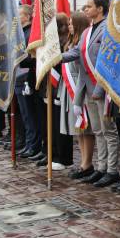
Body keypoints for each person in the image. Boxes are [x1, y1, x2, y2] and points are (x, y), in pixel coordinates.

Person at [62, 0, 119, 187]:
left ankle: (112, 170)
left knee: (108, 131)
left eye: (89, 6)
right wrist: (55, 57)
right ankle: (101, 168)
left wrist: (102, 89)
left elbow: (108, 62)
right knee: (97, 130)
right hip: (88, 88)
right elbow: (77, 52)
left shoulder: (107, 30)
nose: (85, 9)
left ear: (100, 9)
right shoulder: (87, 32)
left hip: (102, 89)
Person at [60, 11, 95, 180]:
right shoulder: (70, 41)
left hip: (80, 86)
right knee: (78, 130)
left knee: (85, 128)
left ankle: (87, 163)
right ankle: (82, 162)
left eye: (72, 23)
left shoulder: (83, 41)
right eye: (68, 23)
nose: (69, 26)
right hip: (70, 87)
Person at [16, 5, 40, 159]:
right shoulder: (20, 33)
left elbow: (31, 56)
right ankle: (28, 143)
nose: (17, 17)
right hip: (19, 77)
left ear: (28, 16)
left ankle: (34, 145)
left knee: (31, 115)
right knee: (25, 115)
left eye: (20, 15)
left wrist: (19, 59)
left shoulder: (30, 32)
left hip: (26, 77)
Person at [51, 13, 73, 171]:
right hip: (55, 86)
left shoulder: (66, 41)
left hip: (64, 86)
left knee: (63, 124)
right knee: (54, 123)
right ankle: (54, 154)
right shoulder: (56, 41)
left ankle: (63, 157)